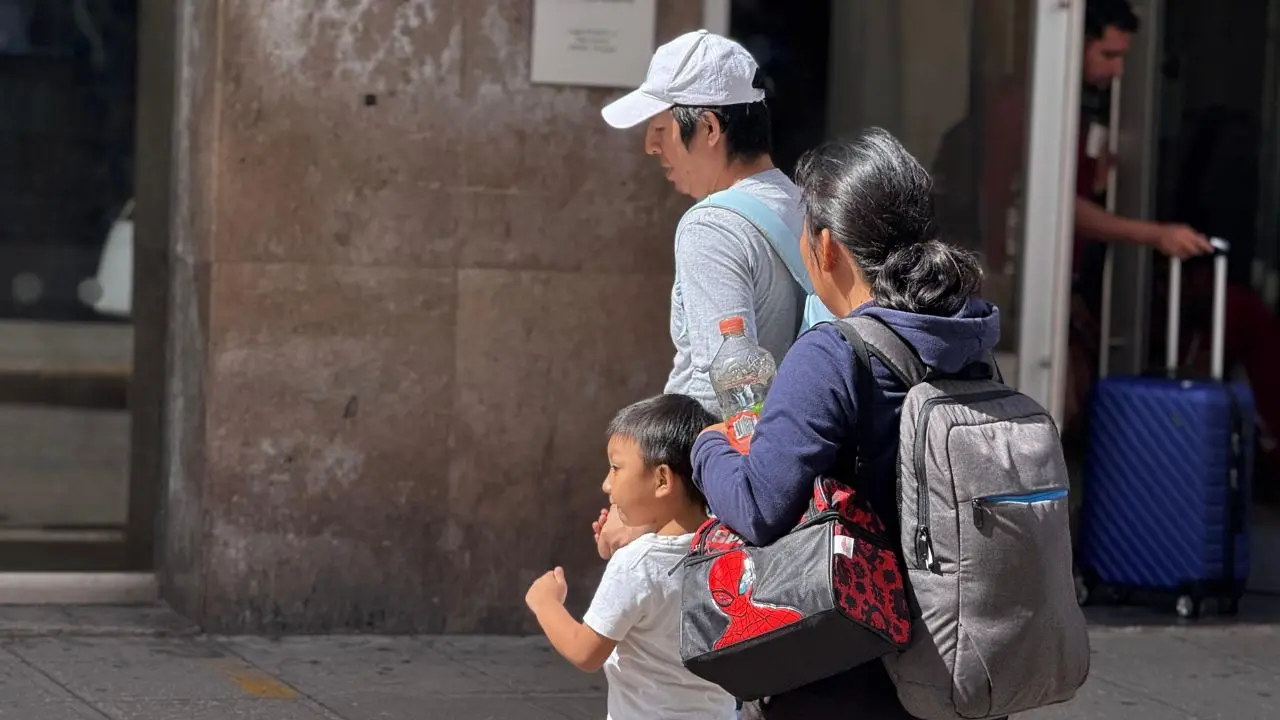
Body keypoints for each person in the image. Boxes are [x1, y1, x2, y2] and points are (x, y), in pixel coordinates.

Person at [692, 129, 1001, 717]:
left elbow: (758, 505)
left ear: (825, 246)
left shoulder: (832, 354)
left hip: (848, 663)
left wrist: (710, 449)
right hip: (957, 653)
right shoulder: (970, 340)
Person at [593, 29, 808, 558]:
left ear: (709, 127)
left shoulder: (711, 226)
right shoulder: (804, 204)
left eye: (662, 127)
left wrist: (650, 516)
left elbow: (720, 388)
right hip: (792, 483)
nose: (650, 145)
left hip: (718, 503)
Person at [525, 394, 736, 720]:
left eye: (616, 468)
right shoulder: (728, 546)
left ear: (662, 480)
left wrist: (545, 602)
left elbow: (585, 652)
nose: (606, 484)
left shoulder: (637, 565)